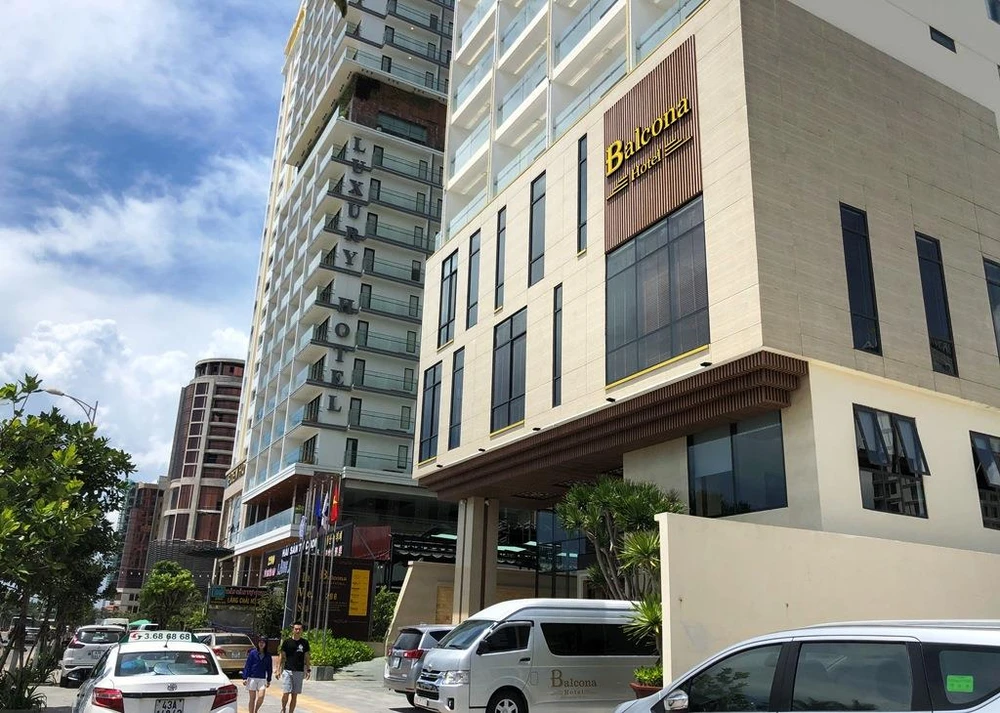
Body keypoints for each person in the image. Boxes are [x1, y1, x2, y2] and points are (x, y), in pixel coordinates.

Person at [276, 621, 311, 713]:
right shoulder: (287, 642)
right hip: (287, 670)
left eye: (299, 629)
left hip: (299, 671)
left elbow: (307, 656)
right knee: (286, 693)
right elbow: (281, 656)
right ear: (293, 630)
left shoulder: (305, 643)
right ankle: (283, 708)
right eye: (296, 629)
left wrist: (308, 669)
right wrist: (278, 669)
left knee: (294, 695)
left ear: (302, 630)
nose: (297, 631)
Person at [242, 636, 273, 713]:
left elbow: (269, 668)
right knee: (252, 699)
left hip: (262, 678)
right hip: (252, 678)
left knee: (261, 696)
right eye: (260, 642)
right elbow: (248, 665)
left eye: (263, 642)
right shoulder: (252, 653)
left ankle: (256, 710)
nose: (261, 644)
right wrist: (245, 677)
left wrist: (269, 679)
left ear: (266, 644)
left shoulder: (268, 655)